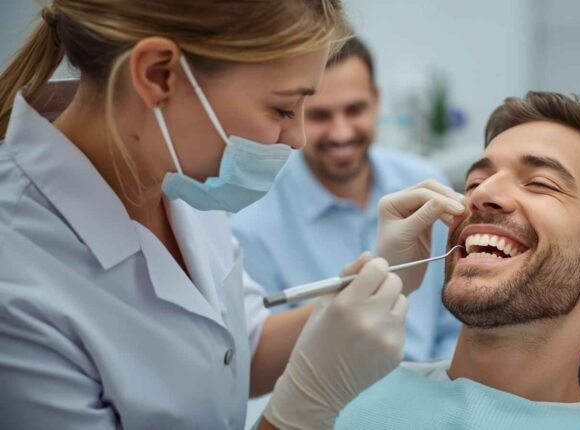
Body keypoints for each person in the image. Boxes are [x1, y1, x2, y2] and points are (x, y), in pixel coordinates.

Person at [0, 1, 466, 429]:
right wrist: (301, 409)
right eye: (283, 108)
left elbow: (238, 348)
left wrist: (384, 278)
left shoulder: (177, 170)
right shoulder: (17, 283)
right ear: (160, 75)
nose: (298, 138)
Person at [336, 92, 580, 429]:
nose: (481, 194)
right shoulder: (343, 391)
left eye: (540, 183)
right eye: (474, 181)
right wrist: (377, 285)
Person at [231, 37, 460, 361]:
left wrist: (436, 389)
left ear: (376, 101)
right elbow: (259, 360)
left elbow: (455, 325)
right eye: (320, 115)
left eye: (355, 110)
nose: (341, 133)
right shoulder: (251, 224)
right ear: (293, 113)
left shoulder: (424, 183)